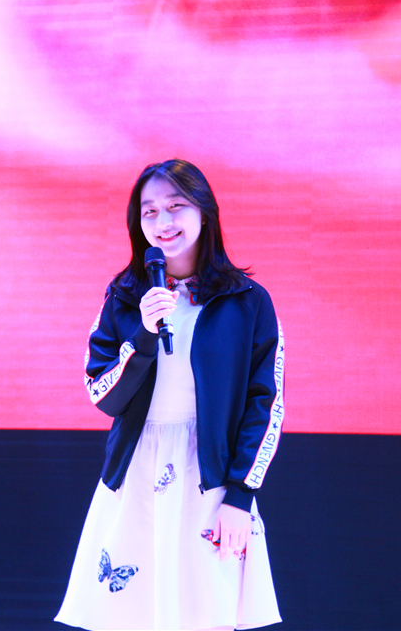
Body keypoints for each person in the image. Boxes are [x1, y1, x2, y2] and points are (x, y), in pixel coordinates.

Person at [55, 159, 284, 631]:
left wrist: (240, 496)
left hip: (212, 477)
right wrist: (143, 334)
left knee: (208, 615)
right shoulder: (123, 298)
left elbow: (266, 404)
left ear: (204, 211)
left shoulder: (248, 301)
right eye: (150, 211)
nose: (163, 222)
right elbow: (103, 395)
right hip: (137, 472)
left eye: (176, 206)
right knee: (129, 617)